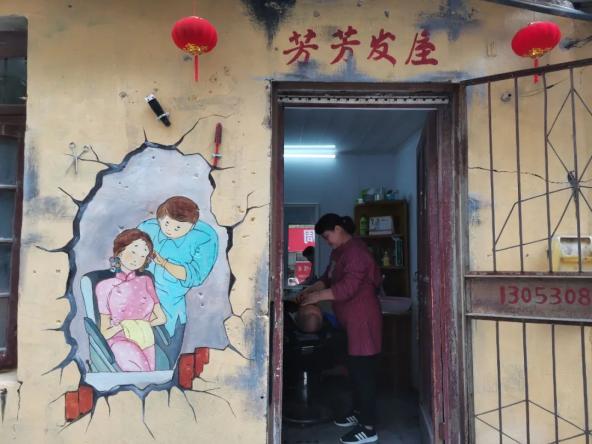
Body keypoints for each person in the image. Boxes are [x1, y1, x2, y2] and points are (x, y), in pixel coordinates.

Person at [297, 213, 382, 444]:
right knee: (353, 370)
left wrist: (316, 297)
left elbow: (347, 288)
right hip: (349, 321)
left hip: (363, 321)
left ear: (338, 229)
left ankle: (368, 428)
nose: (327, 242)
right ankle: (359, 413)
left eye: (327, 236)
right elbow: (329, 277)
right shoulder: (339, 252)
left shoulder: (357, 253)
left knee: (363, 373)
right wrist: (312, 289)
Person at [138, 196, 218, 366]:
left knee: (164, 358)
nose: (170, 230)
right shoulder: (147, 229)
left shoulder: (204, 237)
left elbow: (194, 275)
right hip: (137, 302)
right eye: (166, 223)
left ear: (192, 226)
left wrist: (165, 264)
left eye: (178, 227)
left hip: (170, 308)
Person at [95, 229, 167, 372]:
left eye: (142, 255)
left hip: (145, 340)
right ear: (120, 252)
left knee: (149, 377)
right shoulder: (104, 286)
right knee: (141, 371)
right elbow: (104, 332)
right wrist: (124, 326)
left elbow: (161, 318)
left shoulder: (146, 281)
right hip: (119, 341)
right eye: (133, 252)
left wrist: (141, 326)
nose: (136, 259)